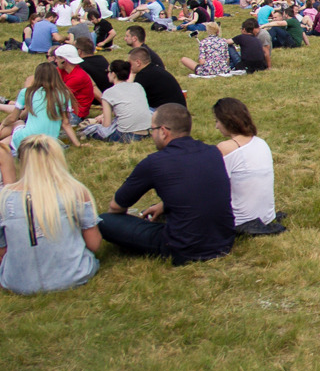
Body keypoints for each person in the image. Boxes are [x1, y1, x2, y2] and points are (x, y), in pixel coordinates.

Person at [98, 103, 235, 265]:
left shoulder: (155, 163)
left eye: (152, 130)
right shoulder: (212, 152)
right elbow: (199, 190)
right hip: (224, 240)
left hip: (182, 248)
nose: (151, 135)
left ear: (163, 132)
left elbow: (116, 207)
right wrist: (164, 206)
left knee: (103, 221)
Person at [0, 135, 101, 294]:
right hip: (74, 275)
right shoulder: (75, 190)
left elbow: (3, 251)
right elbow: (94, 244)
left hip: (17, 282)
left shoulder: (4, 198)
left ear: (22, 161)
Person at [213, 98, 284, 235]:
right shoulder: (261, 143)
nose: (216, 126)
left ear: (226, 121)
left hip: (239, 221)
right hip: (266, 217)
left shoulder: (225, 148)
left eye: (217, 121)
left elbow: (210, 187)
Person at [0, 62, 82, 158]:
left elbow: (13, 118)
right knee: (16, 133)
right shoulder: (64, 93)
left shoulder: (27, 92)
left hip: (28, 141)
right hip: (49, 144)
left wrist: (3, 124)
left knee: (18, 124)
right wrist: (78, 144)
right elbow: (66, 123)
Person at [79, 59, 152, 143]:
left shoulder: (108, 93)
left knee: (91, 129)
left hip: (126, 135)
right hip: (145, 132)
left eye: (108, 71)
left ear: (113, 74)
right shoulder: (138, 86)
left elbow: (106, 125)